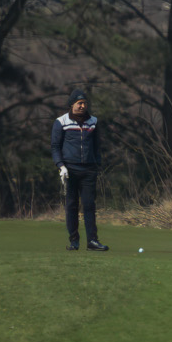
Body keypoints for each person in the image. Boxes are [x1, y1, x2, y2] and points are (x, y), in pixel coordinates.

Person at [51, 90, 108, 252]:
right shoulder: (61, 122)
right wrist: (61, 166)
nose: (82, 106)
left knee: (89, 205)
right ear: (72, 105)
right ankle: (74, 241)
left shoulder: (93, 122)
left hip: (89, 169)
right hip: (70, 170)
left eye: (84, 103)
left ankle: (92, 241)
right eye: (79, 103)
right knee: (72, 206)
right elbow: (55, 147)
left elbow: (97, 146)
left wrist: (97, 165)